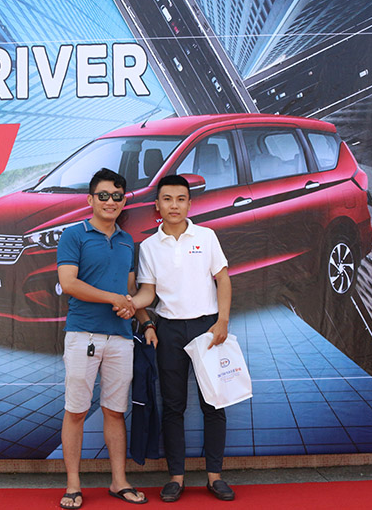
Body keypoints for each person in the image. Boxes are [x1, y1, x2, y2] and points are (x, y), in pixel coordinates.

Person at [132, 174, 235, 502]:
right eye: (167, 199)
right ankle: (176, 477)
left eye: (180, 199)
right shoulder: (149, 247)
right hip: (169, 330)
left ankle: (215, 476)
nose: (174, 205)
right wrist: (132, 306)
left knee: (213, 404)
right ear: (157, 205)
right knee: (173, 406)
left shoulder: (206, 236)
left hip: (207, 328)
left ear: (190, 203)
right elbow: (147, 293)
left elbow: (223, 279)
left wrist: (222, 320)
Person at [56, 168, 147, 509]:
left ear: (124, 201)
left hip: (122, 339)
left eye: (117, 196)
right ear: (91, 199)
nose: (111, 202)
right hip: (83, 335)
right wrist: (113, 299)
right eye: (104, 195)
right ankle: (73, 486)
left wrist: (141, 318)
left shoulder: (126, 241)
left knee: (115, 411)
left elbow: (130, 290)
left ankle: (119, 482)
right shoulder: (73, 235)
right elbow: (69, 283)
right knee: (76, 411)